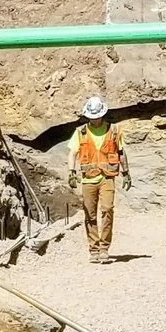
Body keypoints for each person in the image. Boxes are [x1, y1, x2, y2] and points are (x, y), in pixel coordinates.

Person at [66, 96, 130, 264]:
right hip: (88, 179)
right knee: (90, 214)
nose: (95, 120)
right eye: (91, 118)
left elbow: (121, 153)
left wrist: (126, 173)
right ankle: (94, 249)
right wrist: (71, 172)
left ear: (102, 115)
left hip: (107, 177)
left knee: (107, 209)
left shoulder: (114, 131)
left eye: (97, 117)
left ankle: (104, 248)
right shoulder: (80, 132)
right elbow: (72, 153)